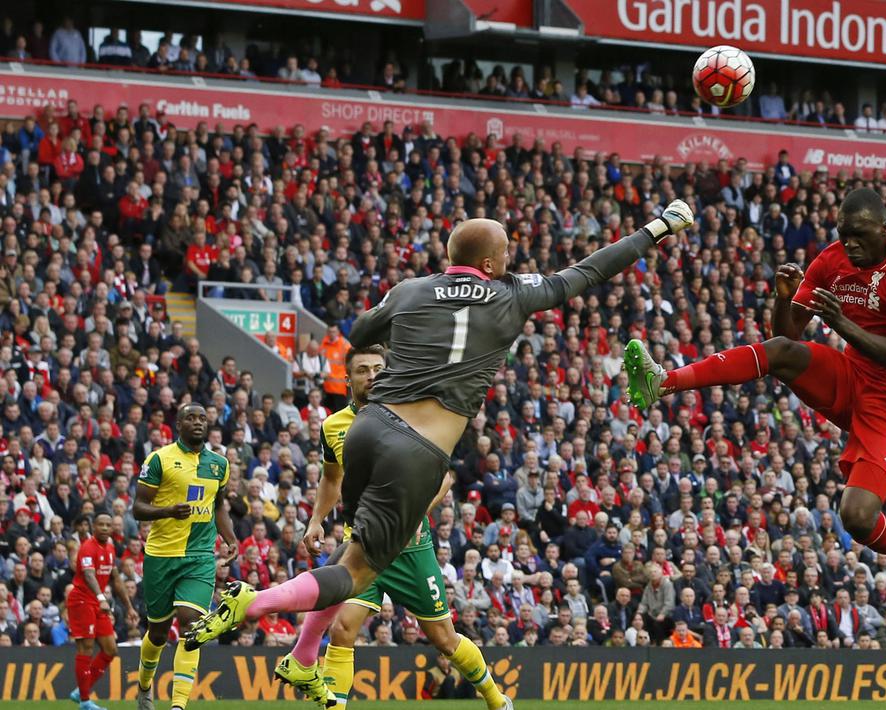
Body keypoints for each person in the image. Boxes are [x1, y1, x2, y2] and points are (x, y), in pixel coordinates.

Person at [183, 202, 695, 674]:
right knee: (358, 572)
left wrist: (402, 307)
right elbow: (588, 271)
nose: (513, 258)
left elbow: (361, 331)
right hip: (417, 451)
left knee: (353, 552)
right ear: (492, 265)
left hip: (365, 428)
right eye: (508, 252)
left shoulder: (410, 289)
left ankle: (301, 654)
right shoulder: (513, 294)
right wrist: (659, 227)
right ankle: (255, 602)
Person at [623, 187, 886, 624]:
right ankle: (665, 381)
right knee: (779, 352)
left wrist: (839, 321)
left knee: (855, 516)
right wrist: (783, 297)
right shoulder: (831, 261)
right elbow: (788, 332)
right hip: (851, 378)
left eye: (859, 234)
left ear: (885, 229)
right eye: (843, 233)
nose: (850, 242)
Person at [274, 345, 456, 709]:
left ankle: (494, 697)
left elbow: (444, 478)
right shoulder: (333, 426)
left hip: (409, 543)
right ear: (348, 379)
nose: (371, 376)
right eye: (363, 370)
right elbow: (331, 479)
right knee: (342, 628)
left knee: (443, 638)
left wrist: (413, 512)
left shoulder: (413, 417)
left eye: (378, 369)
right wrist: (315, 519)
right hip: (359, 542)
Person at [133, 403, 238, 710]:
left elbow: (219, 505)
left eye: (202, 418)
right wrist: (167, 511)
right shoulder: (159, 459)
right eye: (190, 418)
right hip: (161, 556)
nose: (197, 423)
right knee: (158, 632)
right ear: (178, 425)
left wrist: (230, 538)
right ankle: (144, 686)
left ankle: (178, 705)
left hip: (200, 556)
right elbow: (138, 508)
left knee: (192, 624)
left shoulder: (219, 463)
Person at [66, 513, 138, 710]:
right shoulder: (87, 548)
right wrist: (101, 597)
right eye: (101, 525)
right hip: (82, 601)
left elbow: (115, 578)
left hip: (98, 603)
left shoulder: (110, 546)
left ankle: (81, 691)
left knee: (110, 649)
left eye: (108, 525)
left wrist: (129, 607)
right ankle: (85, 701)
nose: (105, 528)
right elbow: (89, 575)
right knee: (86, 649)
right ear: (94, 527)